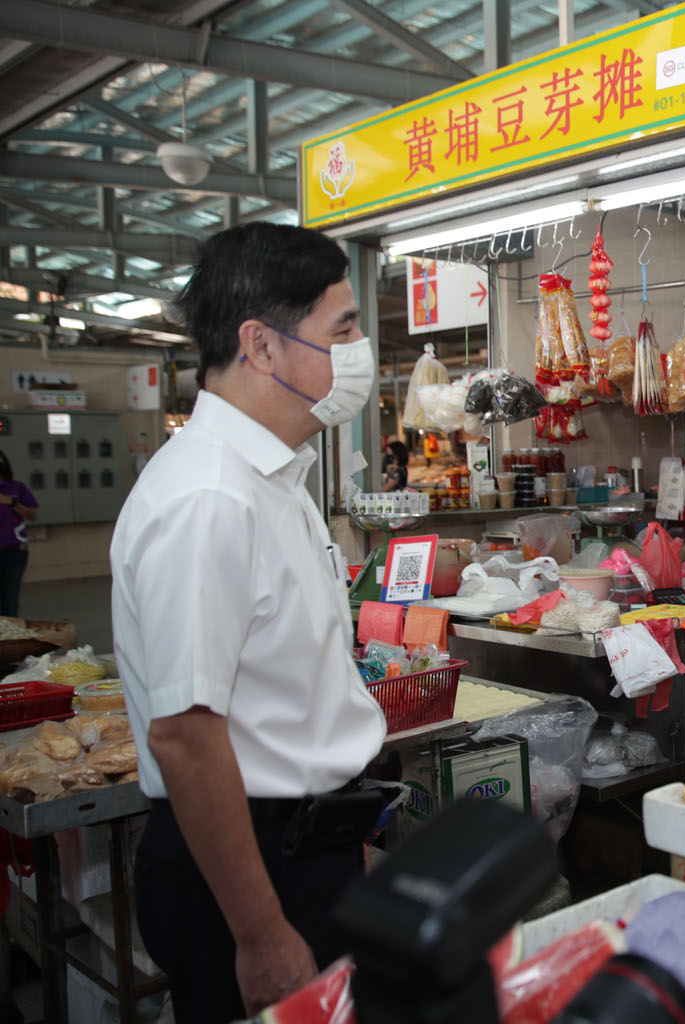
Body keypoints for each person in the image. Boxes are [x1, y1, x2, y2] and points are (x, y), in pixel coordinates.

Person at [111, 223, 386, 1020]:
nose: (360, 349)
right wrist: (262, 932)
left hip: (303, 848)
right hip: (246, 870)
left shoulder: (271, 478)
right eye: (343, 328)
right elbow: (186, 736)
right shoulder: (209, 498)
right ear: (261, 347)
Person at [0, 451, 38, 617]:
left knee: (10, 596)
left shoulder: (17, 488)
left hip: (14, 550)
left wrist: (12, 503)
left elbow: (32, 515)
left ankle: (10, 637)